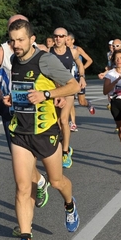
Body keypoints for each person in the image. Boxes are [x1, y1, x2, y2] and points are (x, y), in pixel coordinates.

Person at [4, 19, 80, 240]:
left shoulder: (45, 59)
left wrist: (47, 94)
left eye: (20, 40)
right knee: (23, 187)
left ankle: (70, 204)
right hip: (20, 133)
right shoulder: (15, 60)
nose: (16, 45)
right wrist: (11, 98)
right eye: (12, 40)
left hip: (45, 132)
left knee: (57, 181)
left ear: (32, 39)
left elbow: (73, 86)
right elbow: (23, 89)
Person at [0, 14, 50, 221]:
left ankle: (27, 217)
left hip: (35, 112)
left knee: (28, 164)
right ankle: (37, 188)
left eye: (20, 32)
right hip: (9, 110)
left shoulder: (42, 52)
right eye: (12, 31)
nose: (16, 39)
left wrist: (56, 97)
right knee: (21, 166)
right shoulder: (0, 52)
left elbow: (57, 80)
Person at [50, 27, 86, 168]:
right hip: (54, 90)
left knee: (64, 120)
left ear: (66, 38)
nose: (58, 39)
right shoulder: (48, 52)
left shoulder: (72, 52)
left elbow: (80, 64)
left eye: (61, 36)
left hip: (69, 88)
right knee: (57, 121)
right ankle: (63, 145)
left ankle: (65, 152)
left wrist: (81, 77)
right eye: (56, 36)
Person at [65, 32, 94, 132]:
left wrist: (82, 68)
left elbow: (90, 60)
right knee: (70, 100)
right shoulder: (63, 50)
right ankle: (73, 123)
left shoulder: (78, 49)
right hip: (69, 79)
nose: (66, 41)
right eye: (65, 39)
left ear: (73, 41)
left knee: (81, 101)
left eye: (68, 39)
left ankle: (88, 104)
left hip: (79, 77)